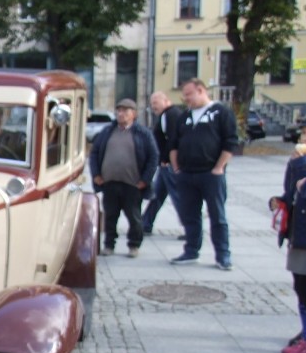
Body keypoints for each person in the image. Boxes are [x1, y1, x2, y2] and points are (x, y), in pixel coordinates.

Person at [168, 78, 239, 270]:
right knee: (190, 215)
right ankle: (191, 250)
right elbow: (173, 144)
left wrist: (219, 168)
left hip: (210, 174)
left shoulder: (221, 113)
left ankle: (223, 255)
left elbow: (230, 142)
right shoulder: (184, 117)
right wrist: (176, 168)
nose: (186, 99)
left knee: (217, 215)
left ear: (201, 91)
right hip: (187, 174)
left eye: (189, 94)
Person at [89, 98, 159, 258]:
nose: (121, 114)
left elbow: (153, 157)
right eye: (119, 111)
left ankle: (134, 245)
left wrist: (145, 180)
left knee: (134, 217)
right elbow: (94, 153)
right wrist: (96, 175)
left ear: (133, 114)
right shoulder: (107, 131)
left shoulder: (143, 133)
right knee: (110, 216)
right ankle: (108, 245)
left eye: (125, 111)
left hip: (133, 184)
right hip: (110, 183)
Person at [271, 118, 306, 353]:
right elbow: (295, 193)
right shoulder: (302, 164)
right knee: (302, 287)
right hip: (301, 234)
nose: (305, 140)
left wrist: (301, 168)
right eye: (304, 134)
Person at [142, 91, 184, 236]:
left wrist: (167, 160)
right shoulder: (169, 114)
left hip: (168, 164)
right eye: (152, 103)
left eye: (155, 103)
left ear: (165, 100)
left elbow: (173, 139)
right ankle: (145, 223)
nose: (153, 107)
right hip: (165, 164)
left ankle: (189, 227)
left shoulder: (169, 115)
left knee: (178, 197)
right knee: (158, 195)